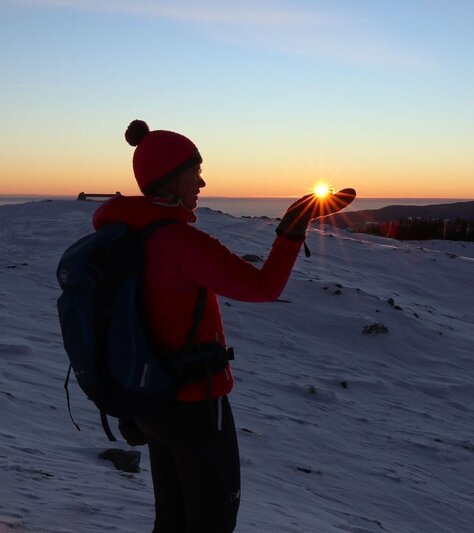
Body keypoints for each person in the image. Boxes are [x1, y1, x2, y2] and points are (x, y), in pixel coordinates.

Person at [93, 119, 352, 532]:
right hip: (194, 405)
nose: (202, 182)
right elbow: (264, 287)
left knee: (171, 522)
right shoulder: (180, 242)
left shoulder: (127, 235)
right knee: (212, 523)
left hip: (150, 402)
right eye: (195, 172)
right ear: (169, 180)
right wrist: (293, 226)